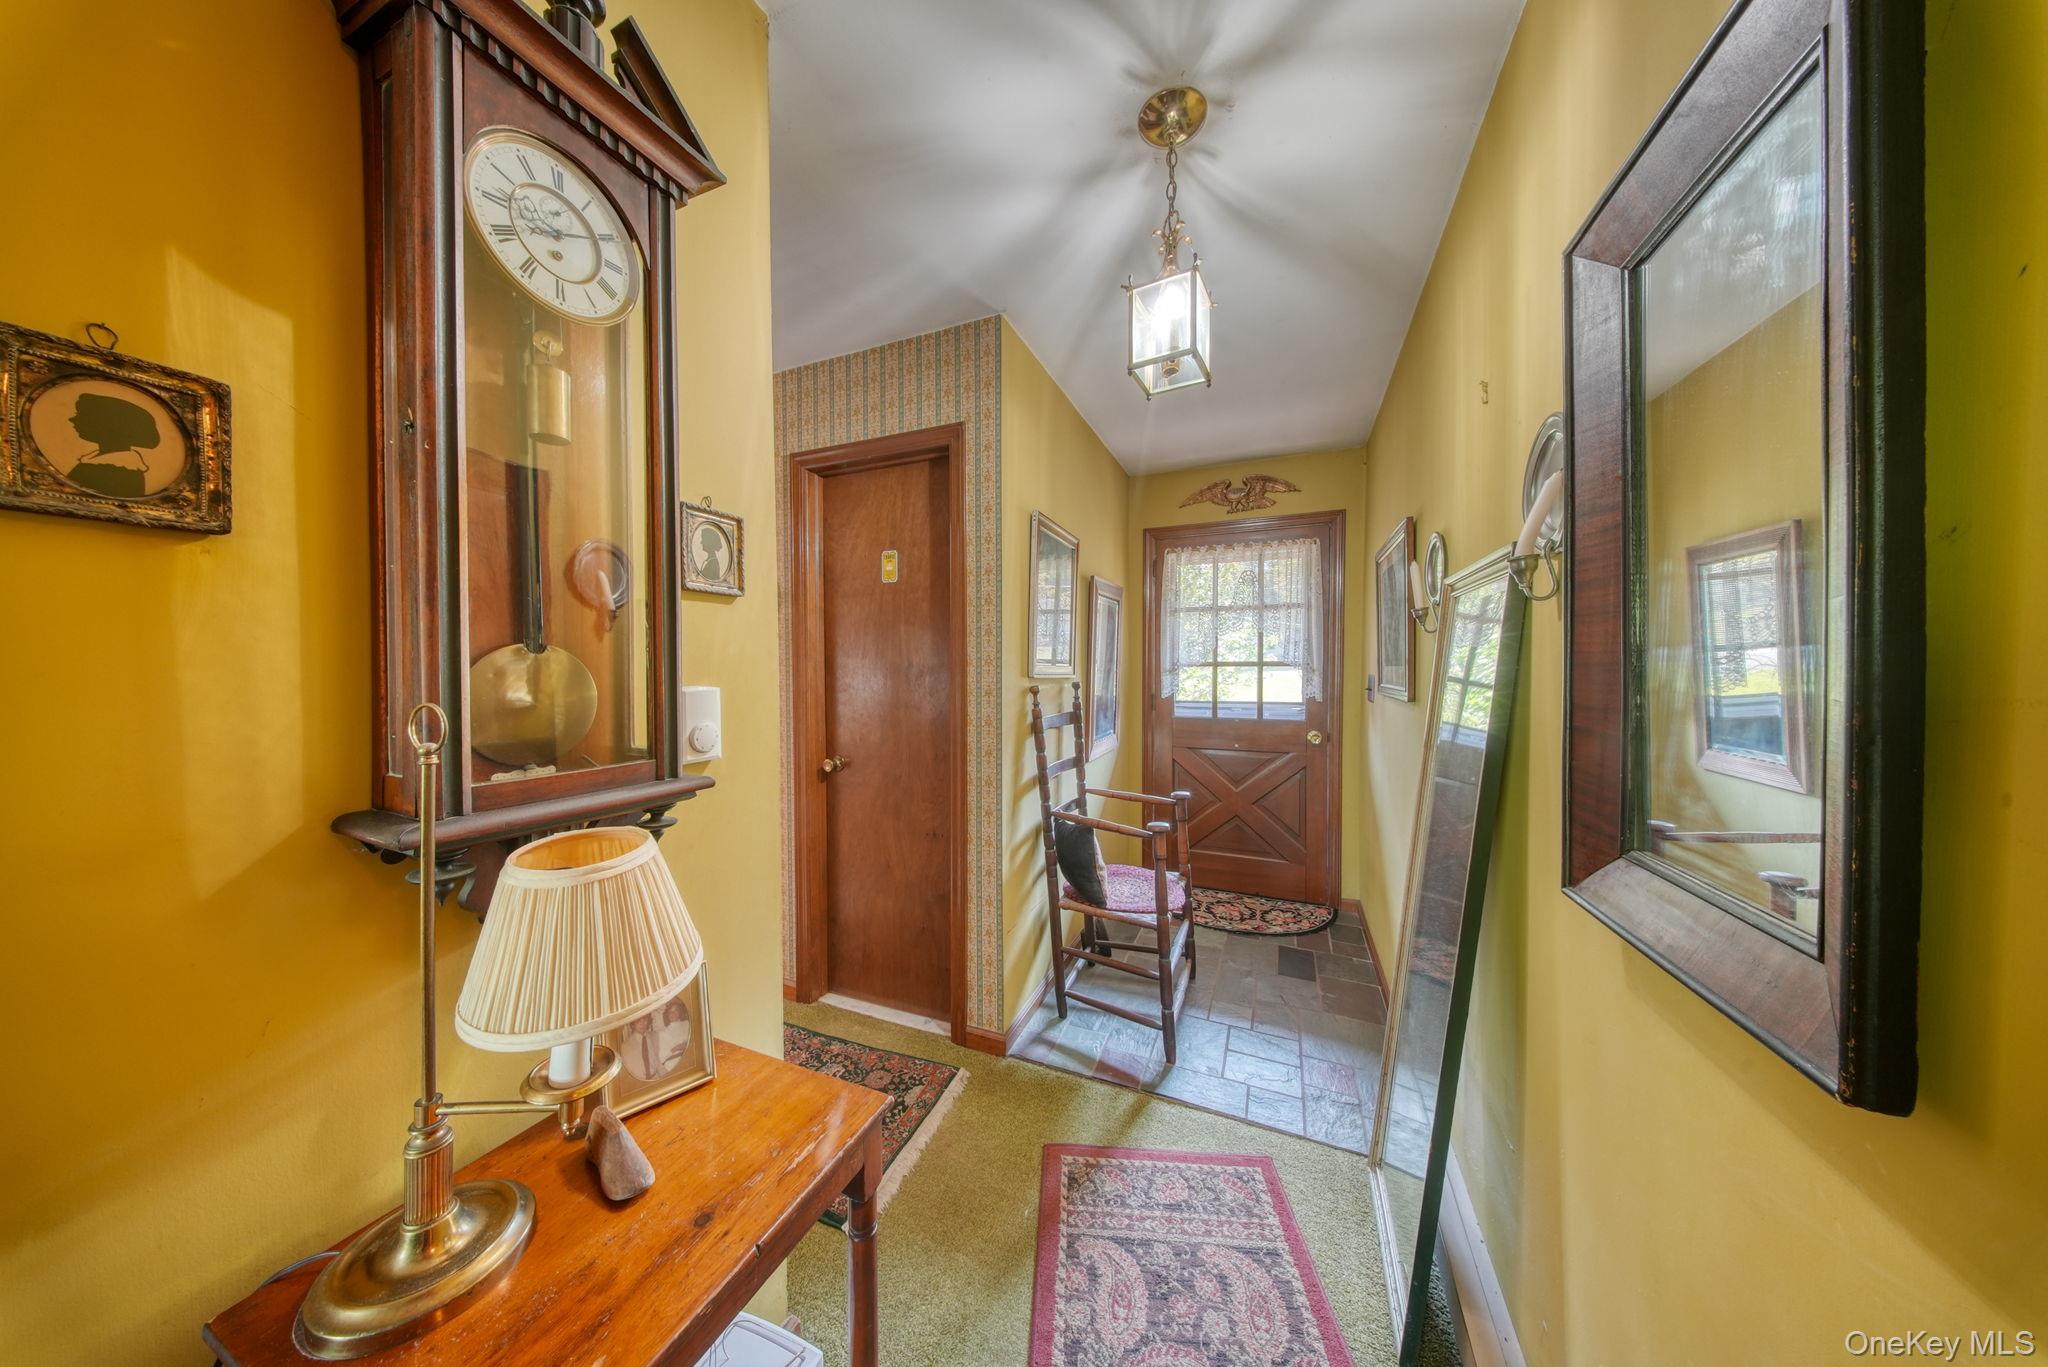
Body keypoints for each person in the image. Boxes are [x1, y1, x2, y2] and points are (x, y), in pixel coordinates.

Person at [61, 391, 162, 498]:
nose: (73, 420)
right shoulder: (99, 462)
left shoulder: (118, 469)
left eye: (83, 415)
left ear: (106, 424)